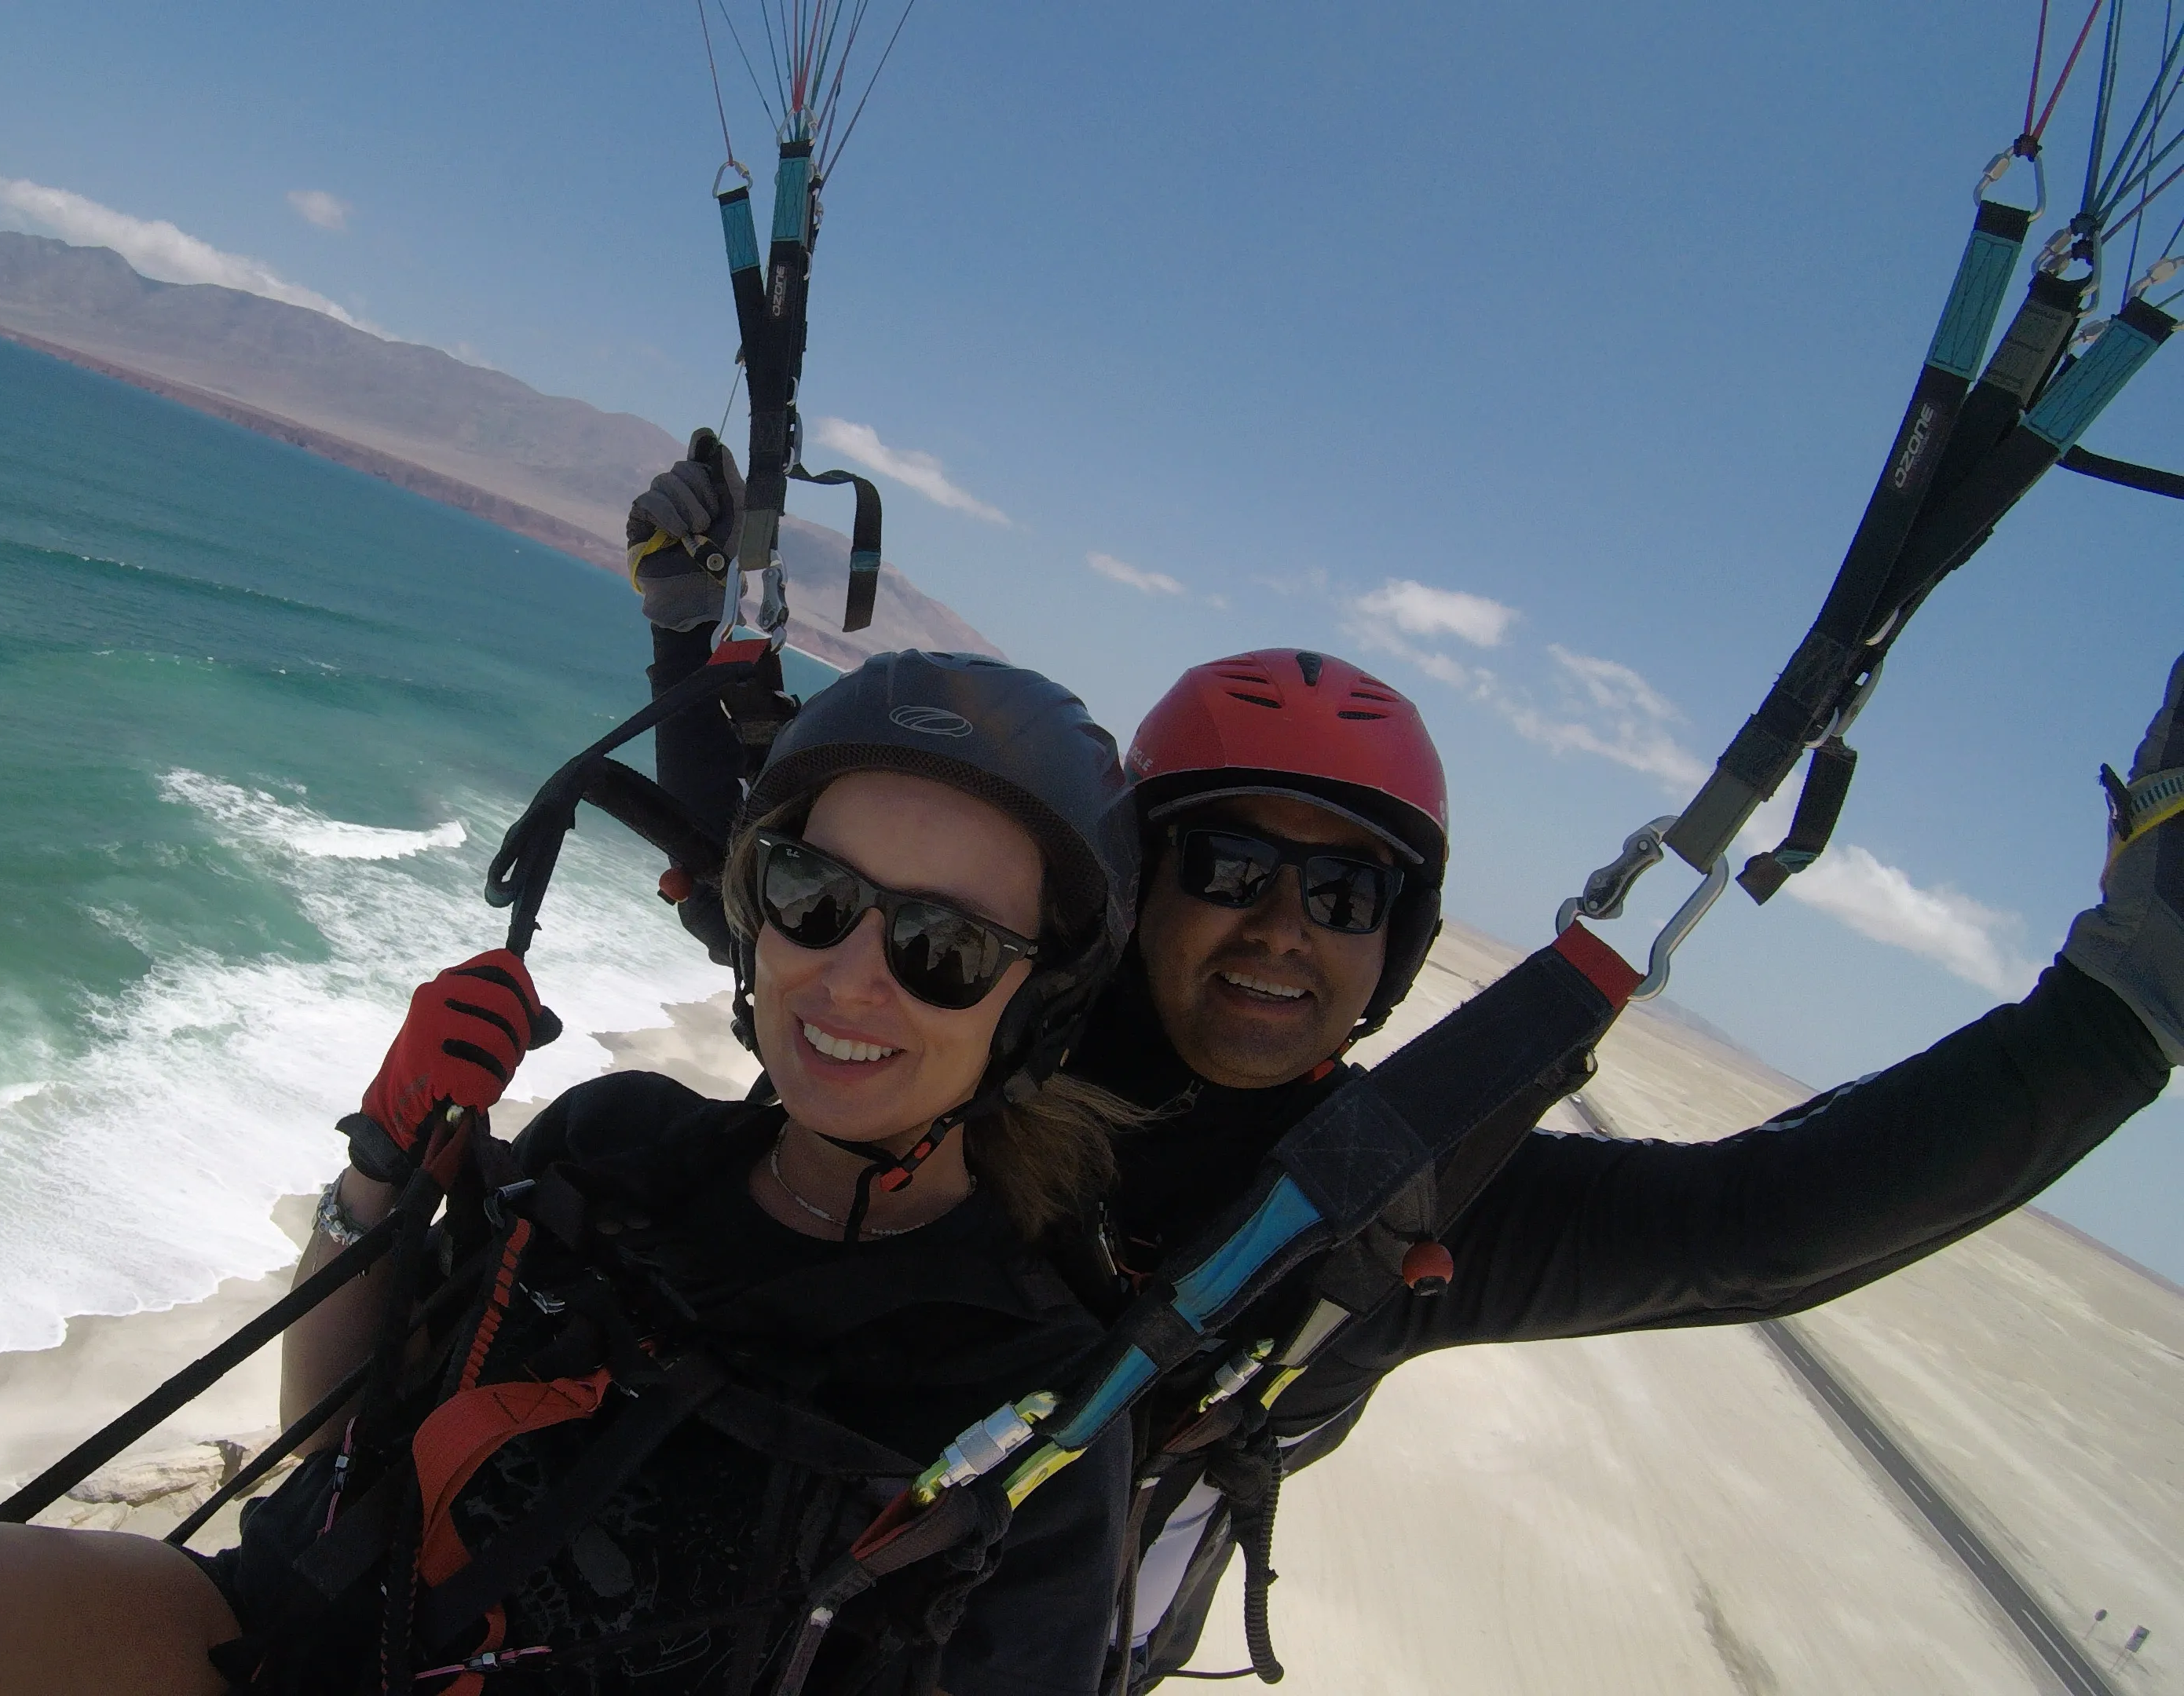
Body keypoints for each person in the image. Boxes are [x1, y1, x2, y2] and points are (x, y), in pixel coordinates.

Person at [620, 449, 2182, 1682]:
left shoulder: (1406, 1196)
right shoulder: (971, 1011)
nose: (1280, 933)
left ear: (1396, 948)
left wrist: (2126, 1002)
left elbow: (1760, 1226)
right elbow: (760, 883)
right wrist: (680, 617)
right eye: (1227, 867)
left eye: (1347, 893)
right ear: (1131, 887)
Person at [0, 650, 1154, 1696]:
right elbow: (345, 1426)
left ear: (1035, 1005)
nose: (852, 975)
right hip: (278, 1630)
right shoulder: (616, 1146)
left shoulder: (1027, 1395)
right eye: (812, 895)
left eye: (941, 949)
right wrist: (381, 1175)